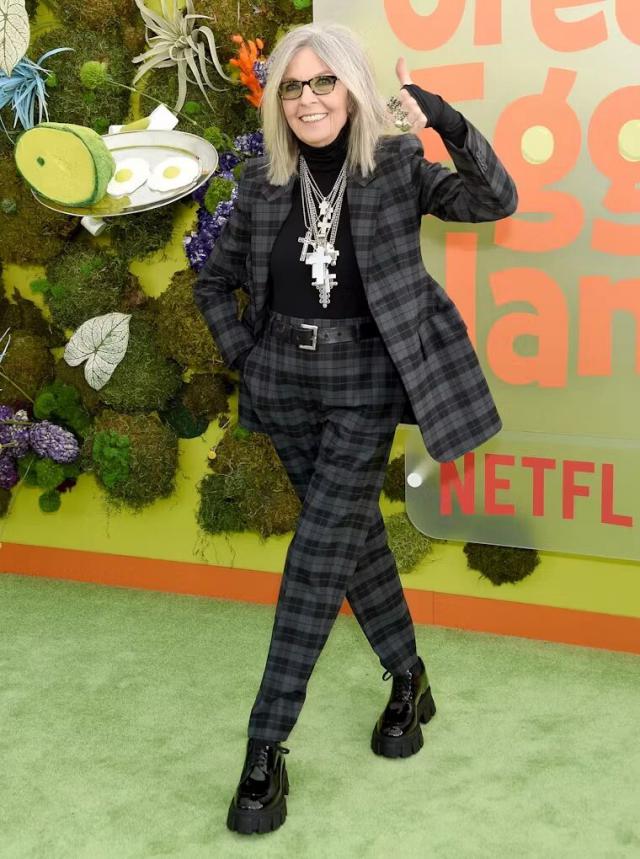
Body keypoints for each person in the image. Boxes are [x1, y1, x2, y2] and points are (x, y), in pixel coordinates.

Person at [193, 21, 517, 836]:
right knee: (352, 542)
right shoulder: (263, 181)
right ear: (279, 101)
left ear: (351, 87)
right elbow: (213, 283)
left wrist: (443, 117)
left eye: (323, 82)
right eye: (292, 88)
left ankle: (265, 747)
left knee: (314, 559)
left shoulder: (397, 166)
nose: (308, 100)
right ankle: (409, 676)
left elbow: (495, 199)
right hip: (283, 381)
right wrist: (247, 358)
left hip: (365, 381)